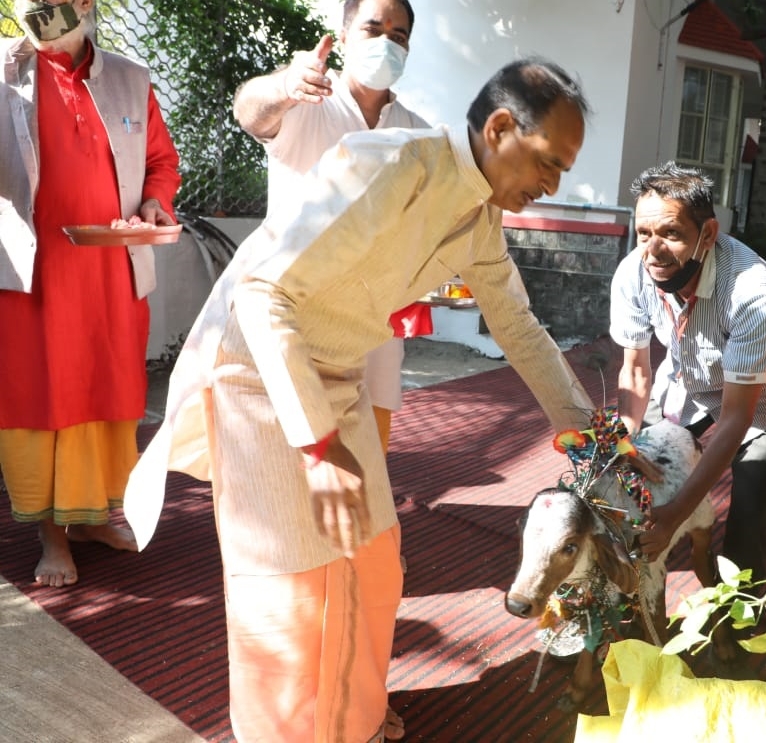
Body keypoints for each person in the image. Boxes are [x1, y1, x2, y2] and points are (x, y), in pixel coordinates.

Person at [124, 57, 595, 743]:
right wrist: (316, 445)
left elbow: (519, 327)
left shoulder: (479, 219)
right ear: (499, 128)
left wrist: (589, 434)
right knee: (288, 585)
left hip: (335, 370)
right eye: (549, 161)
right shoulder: (388, 163)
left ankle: (353, 719)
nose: (552, 184)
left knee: (372, 559)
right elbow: (263, 296)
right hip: (257, 371)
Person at [0, 0, 180, 587]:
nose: (36, 14)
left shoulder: (131, 78)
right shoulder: (4, 72)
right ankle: (52, 536)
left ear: (83, 5)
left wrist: (155, 203)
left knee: (111, 392)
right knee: (41, 399)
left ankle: (94, 518)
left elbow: (160, 162)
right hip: (33, 275)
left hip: (112, 270)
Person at [232, 0, 432, 455]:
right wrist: (284, 85)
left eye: (398, 36)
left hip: (371, 321)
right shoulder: (305, 104)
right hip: (295, 315)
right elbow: (248, 111)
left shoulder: (418, 136)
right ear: (342, 38)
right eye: (373, 29)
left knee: (365, 451)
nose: (386, 43)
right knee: (288, 452)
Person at [609, 161, 766, 585]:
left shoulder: (755, 291)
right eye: (644, 234)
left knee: (746, 517)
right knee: (643, 471)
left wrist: (675, 515)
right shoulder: (631, 273)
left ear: (708, 234)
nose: (653, 250)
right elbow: (636, 372)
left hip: (762, 405)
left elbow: (736, 417)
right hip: (686, 385)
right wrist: (626, 444)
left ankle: (739, 621)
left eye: (671, 234)